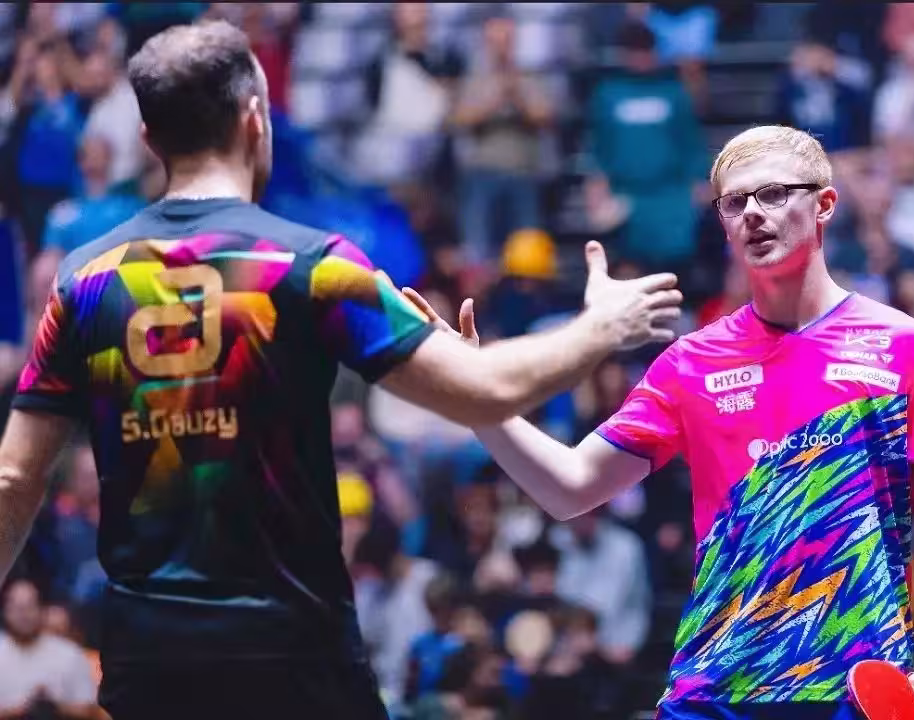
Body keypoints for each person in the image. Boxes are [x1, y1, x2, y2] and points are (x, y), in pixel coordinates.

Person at [0, 20, 682, 720]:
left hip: (149, 664)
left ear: (149, 139)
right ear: (255, 119)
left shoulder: (83, 281)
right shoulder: (312, 265)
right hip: (293, 660)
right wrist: (601, 328)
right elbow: (487, 391)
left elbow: (14, 479)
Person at [404, 125, 914, 720]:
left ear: (824, 204)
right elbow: (570, 487)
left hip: (852, 686)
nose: (753, 214)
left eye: (773, 194)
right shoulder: (691, 363)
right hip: (715, 691)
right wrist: (475, 396)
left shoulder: (903, 345)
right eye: (735, 202)